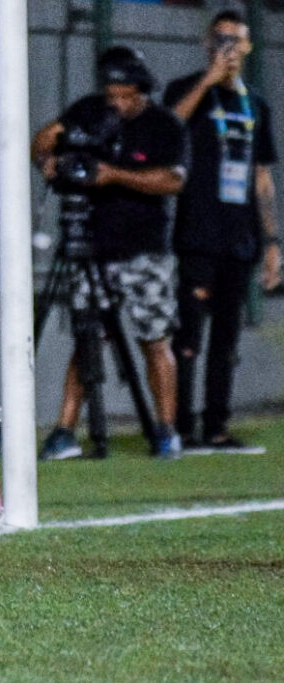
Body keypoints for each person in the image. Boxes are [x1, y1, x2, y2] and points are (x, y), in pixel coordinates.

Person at [31, 47, 188, 460]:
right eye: (111, 94)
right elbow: (46, 138)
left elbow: (172, 180)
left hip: (144, 250)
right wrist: (48, 158)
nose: (115, 103)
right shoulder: (89, 110)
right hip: (89, 246)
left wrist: (113, 176)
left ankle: (166, 430)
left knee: (154, 339)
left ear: (141, 92)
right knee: (87, 338)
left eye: (124, 96)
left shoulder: (164, 125)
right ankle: (65, 431)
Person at [163, 10, 281, 454]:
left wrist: (271, 243)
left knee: (226, 340)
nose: (229, 47)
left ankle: (217, 426)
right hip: (197, 234)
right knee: (188, 336)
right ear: (207, 43)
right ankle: (179, 427)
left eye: (238, 41)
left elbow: (262, 177)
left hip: (240, 238)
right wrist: (209, 80)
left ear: (249, 49)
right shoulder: (188, 90)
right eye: (222, 38)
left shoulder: (256, 105)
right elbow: (169, 129)